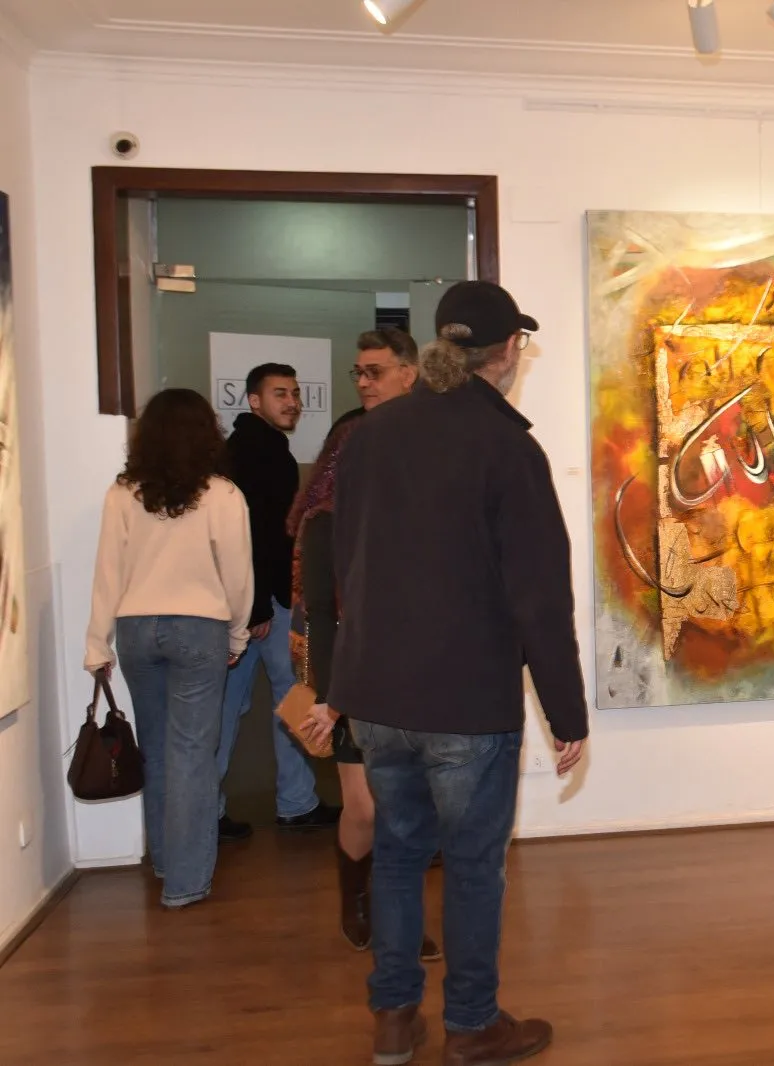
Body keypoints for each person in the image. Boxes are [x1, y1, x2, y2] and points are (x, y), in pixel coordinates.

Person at [332, 281, 588, 1066]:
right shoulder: (507, 447)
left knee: (399, 854)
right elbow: (539, 595)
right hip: (466, 700)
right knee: (473, 868)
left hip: (379, 694)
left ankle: (393, 1018)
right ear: (507, 352)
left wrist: (347, 677)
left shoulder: (370, 436)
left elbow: (346, 565)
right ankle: (471, 1024)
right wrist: (567, 713)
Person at [84, 388, 254, 909]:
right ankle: (185, 883)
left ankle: (165, 862)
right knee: (193, 755)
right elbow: (238, 576)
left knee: (158, 749)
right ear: (207, 434)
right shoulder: (223, 494)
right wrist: (238, 634)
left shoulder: (122, 493)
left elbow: (107, 572)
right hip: (199, 629)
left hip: (136, 630)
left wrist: (96, 643)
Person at [292, 370, 440, 962]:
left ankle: (398, 916)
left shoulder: (416, 514)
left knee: (407, 811)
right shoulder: (326, 523)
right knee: (365, 808)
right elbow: (321, 618)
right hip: (350, 683)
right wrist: (331, 699)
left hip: (413, 680)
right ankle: (355, 900)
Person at [216, 362, 339, 840]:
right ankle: (296, 803)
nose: (292, 402)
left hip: (248, 604)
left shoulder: (248, 449)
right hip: (263, 605)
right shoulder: (259, 453)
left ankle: (212, 810)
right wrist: (260, 609)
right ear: (254, 401)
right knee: (295, 697)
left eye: (294, 393)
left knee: (232, 706)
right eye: (279, 394)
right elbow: (255, 537)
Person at [352, 327, 420, 410]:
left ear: (407, 377)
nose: (361, 383)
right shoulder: (351, 419)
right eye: (359, 373)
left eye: (374, 372)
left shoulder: (431, 416)